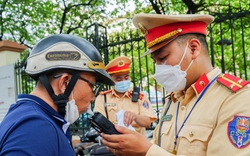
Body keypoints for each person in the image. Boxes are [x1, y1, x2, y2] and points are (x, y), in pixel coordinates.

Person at [100, 14, 250, 156]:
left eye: (163, 58)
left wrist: (147, 151)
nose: (158, 69)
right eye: (155, 62)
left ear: (193, 48)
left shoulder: (237, 99)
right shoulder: (173, 101)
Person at [0, 34, 114, 155]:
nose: (92, 97)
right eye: (92, 86)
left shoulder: (39, 118)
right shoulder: (36, 127)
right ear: (65, 83)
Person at [94, 56, 157, 136]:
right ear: (111, 80)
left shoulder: (140, 97)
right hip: (113, 144)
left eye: (126, 78)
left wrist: (135, 116)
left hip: (137, 144)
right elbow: (99, 123)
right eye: (118, 79)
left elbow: (147, 123)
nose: (123, 81)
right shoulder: (103, 98)